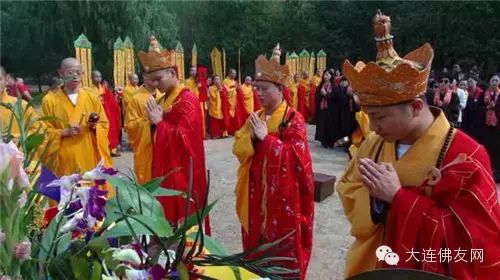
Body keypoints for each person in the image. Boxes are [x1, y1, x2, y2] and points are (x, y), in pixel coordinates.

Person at [337, 10, 500, 279]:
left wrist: (399, 199)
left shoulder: (466, 155)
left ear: (414, 107)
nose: (372, 127)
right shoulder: (374, 144)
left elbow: (477, 247)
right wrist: (377, 203)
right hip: (369, 268)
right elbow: (348, 187)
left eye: (379, 117)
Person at [233, 48, 314, 280]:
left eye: (264, 89)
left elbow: (298, 162)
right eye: (256, 88)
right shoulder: (256, 116)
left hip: (282, 198)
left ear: (280, 89)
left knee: (279, 250)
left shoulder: (293, 119)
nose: (258, 93)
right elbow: (238, 148)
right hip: (255, 191)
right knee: (255, 246)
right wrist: (250, 137)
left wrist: (266, 140)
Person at [138, 48, 208, 230]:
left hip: (184, 172)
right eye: (152, 80)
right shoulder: (163, 101)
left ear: (172, 73)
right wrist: (154, 125)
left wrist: (160, 124)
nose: (155, 84)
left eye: (158, 79)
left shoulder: (187, 101)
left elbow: (186, 139)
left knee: (185, 221)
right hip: (167, 170)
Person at [41, 58, 112, 179]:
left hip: (88, 154)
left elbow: (104, 124)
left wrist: (94, 126)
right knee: (69, 193)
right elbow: (43, 132)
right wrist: (64, 132)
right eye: (70, 73)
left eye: (78, 73)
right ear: (61, 73)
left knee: (90, 191)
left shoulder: (91, 97)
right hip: (65, 158)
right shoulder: (50, 100)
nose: (75, 77)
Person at [124, 75, 160, 184]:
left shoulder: (163, 95)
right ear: (144, 77)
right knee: (146, 180)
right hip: (145, 147)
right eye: (151, 74)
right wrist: (145, 118)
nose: (155, 77)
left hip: (161, 145)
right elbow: (129, 126)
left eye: (156, 73)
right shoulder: (136, 98)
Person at [90, 70, 121, 156]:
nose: (99, 78)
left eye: (100, 76)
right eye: (96, 76)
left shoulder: (104, 89)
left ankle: (112, 149)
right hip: (97, 114)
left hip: (107, 113)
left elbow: (111, 101)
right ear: (91, 78)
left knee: (111, 130)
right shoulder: (89, 91)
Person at [314, 69, 337, 148]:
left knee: (330, 124)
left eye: (328, 75)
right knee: (322, 124)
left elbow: (335, 97)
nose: (326, 76)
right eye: (325, 75)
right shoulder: (321, 85)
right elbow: (316, 96)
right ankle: (323, 140)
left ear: (331, 76)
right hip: (322, 108)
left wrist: (326, 95)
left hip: (331, 109)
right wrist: (321, 95)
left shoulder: (334, 86)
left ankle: (330, 141)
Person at [483, 75, 500, 182]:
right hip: (486, 126)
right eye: (493, 80)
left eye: (497, 81)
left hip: (497, 126)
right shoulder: (484, 94)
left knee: (496, 149)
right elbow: (479, 108)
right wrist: (487, 108)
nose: (495, 82)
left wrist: (495, 108)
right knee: (487, 148)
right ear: (489, 82)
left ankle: (496, 173)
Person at [185, 66, 208, 139]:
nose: (194, 72)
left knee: (201, 118)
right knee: (192, 118)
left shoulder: (199, 80)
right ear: (189, 72)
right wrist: (197, 87)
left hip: (200, 102)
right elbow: (189, 92)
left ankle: (202, 134)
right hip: (192, 102)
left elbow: (204, 92)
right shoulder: (187, 81)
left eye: (195, 71)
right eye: (192, 70)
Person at [462, 76, 485, 142]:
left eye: (471, 81)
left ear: (476, 82)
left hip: (475, 116)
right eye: (468, 81)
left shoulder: (480, 92)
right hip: (466, 115)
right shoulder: (465, 91)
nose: (469, 83)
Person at [223, 68, 246, 134]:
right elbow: (226, 91)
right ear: (229, 73)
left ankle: (236, 129)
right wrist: (234, 88)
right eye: (233, 73)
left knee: (237, 116)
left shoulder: (235, 81)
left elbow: (239, 90)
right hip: (229, 101)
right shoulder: (225, 81)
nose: (235, 75)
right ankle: (229, 130)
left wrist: (238, 88)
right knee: (230, 116)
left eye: (235, 74)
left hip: (235, 100)